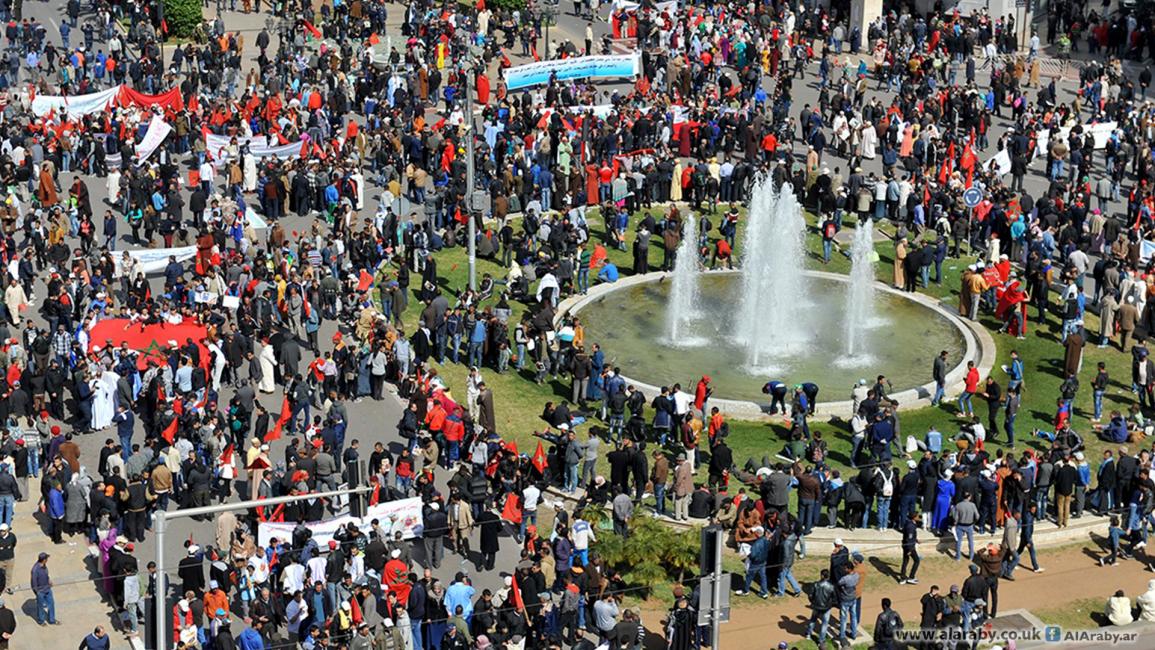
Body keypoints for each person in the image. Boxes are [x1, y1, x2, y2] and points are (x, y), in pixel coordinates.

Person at [31, 552, 57, 626]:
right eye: (47, 558)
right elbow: (33, 583)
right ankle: (41, 620)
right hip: (41, 591)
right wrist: (37, 592)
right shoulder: (35, 570)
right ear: (44, 560)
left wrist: (49, 580)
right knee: (41, 606)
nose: (47, 560)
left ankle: (52, 620)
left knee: (51, 604)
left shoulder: (44, 566)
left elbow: (46, 575)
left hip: (47, 588)